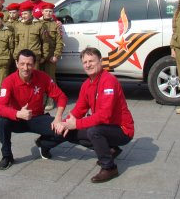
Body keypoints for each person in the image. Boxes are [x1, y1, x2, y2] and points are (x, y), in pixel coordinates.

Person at [39, 47, 134, 183]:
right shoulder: (86, 85)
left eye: (91, 61)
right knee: (69, 132)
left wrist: (77, 124)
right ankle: (110, 150)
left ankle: (109, 167)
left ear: (100, 61)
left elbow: (105, 115)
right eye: (85, 62)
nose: (88, 65)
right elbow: (79, 110)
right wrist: (64, 124)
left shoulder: (109, 81)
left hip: (122, 130)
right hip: (104, 127)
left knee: (94, 131)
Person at [0, 49, 68, 170]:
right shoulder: (8, 81)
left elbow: (62, 97)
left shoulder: (43, 77)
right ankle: (7, 156)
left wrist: (58, 117)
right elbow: (0, 107)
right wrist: (18, 113)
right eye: (22, 64)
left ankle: (44, 145)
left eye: (29, 64)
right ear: (16, 63)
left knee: (64, 130)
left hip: (37, 118)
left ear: (34, 65)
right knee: (2, 121)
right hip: (17, 120)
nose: (25, 68)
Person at [40, 2, 64, 111]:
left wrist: (56, 55)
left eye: (50, 11)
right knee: (39, 78)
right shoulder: (37, 24)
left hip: (50, 56)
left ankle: (50, 99)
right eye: (46, 11)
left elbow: (59, 42)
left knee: (50, 78)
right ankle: (42, 98)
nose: (48, 13)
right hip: (39, 56)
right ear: (42, 12)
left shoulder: (56, 25)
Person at [13, 3, 49, 69]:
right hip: (22, 57)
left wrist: (44, 56)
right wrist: (15, 56)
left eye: (25, 14)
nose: (23, 16)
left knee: (34, 77)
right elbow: (16, 42)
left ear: (31, 13)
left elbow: (45, 41)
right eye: (22, 14)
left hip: (34, 57)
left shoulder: (39, 25)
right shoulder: (18, 25)